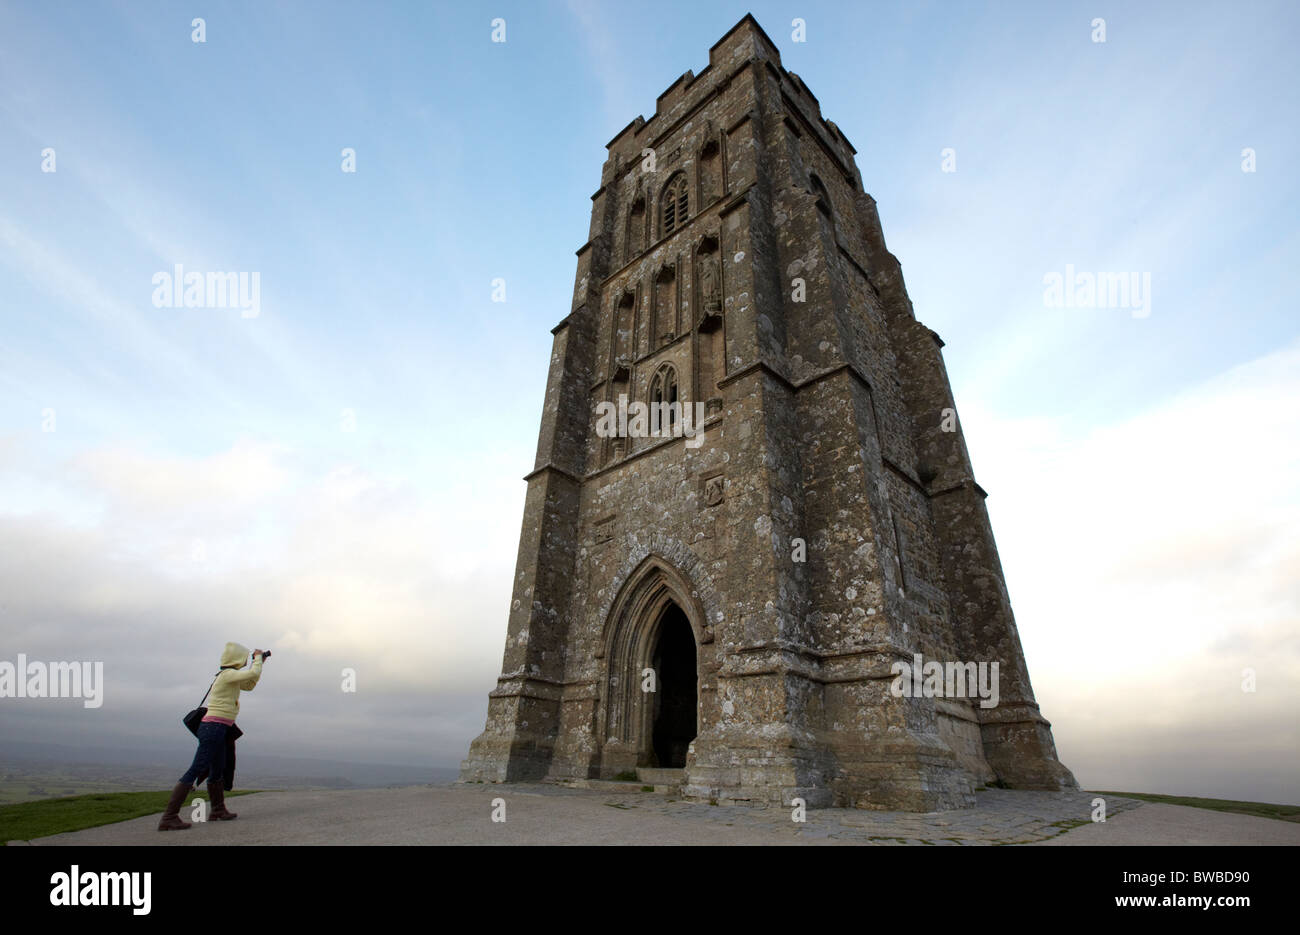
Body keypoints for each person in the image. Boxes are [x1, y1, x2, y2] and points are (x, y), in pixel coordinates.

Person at [158, 642, 267, 831]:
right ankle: (169, 817)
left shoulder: (230, 677)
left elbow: (249, 685)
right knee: (196, 769)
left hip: (219, 728)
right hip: (213, 728)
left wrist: (260, 663)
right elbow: (252, 674)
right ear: (237, 659)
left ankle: (218, 810)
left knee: (218, 768)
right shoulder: (227, 675)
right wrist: (257, 659)